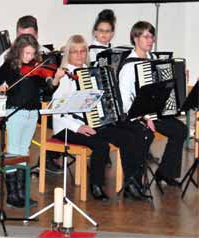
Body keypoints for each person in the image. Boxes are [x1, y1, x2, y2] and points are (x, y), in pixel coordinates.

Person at [51, 35, 151, 201]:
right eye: (75, 52)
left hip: (93, 122)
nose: (79, 55)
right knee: (101, 145)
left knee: (128, 137)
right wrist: (78, 127)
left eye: (83, 51)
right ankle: (96, 185)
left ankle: (131, 183)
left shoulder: (90, 72)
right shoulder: (64, 76)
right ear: (68, 53)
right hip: (66, 127)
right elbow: (57, 110)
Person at [0, 34, 59, 207]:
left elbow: (48, 88)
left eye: (32, 54)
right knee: (13, 151)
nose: (29, 57)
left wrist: (56, 78)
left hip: (32, 112)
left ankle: (21, 192)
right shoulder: (9, 66)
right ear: (18, 51)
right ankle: (12, 195)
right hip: (15, 111)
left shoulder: (37, 68)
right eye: (26, 53)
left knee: (24, 151)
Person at [118, 21, 188, 187]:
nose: (151, 40)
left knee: (180, 130)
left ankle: (165, 173)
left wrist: (181, 79)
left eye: (152, 36)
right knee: (145, 134)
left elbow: (165, 89)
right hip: (135, 115)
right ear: (135, 38)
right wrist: (142, 116)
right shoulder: (128, 66)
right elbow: (125, 99)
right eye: (146, 36)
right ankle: (135, 180)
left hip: (155, 113)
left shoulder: (154, 60)